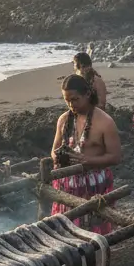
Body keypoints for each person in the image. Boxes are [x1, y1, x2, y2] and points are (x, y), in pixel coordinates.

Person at [50, 74, 121, 235]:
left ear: (87, 94)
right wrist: (59, 158)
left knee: (95, 230)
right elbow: (53, 151)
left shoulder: (105, 122)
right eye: (66, 100)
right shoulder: (63, 120)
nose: (70, 104)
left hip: (95, 185)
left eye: (75, 99)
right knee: (66, 230)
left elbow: (116, 156)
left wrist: (89, 161)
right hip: (66, 184)